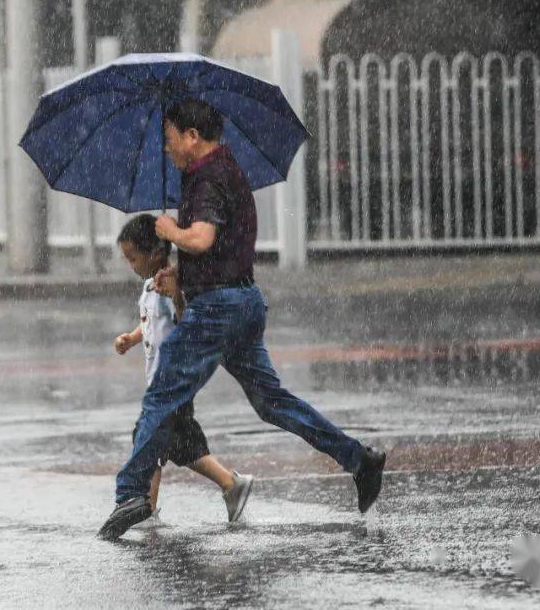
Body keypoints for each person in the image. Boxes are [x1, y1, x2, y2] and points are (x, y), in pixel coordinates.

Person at [98, 98, 386, 540]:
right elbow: (220, 250)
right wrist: (183, 274)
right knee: (272, 402)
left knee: (161, 395)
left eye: (170, 138)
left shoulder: (207, 177)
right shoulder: (226, 170)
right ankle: (358, 460)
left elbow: (203, 236)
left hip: (219, 309)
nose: (167, 148)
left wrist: (170, 232)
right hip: (243, 300)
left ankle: (131, 492)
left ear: (192, 136)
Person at [114, 214, 254, 527]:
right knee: (181, 445)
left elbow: (183, 318)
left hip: (173, 381)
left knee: (147, 439)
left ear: (155, 253)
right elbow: (148, 323)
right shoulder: (149, 286)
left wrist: (176, 295)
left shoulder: (171, 284)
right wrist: (132, 338)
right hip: (162, 384)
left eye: (133, 258)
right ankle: (231, 485)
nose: (131, 265)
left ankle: (143, 508)